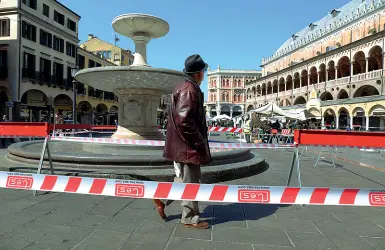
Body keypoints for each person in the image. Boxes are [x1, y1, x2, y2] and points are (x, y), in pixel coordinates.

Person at [161, 54, 211, 229]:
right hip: (188, 147)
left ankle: (161, 199)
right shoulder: (189, 89)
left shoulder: (183, 86)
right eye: (203, 71)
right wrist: (199, 142)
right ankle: (189, 217)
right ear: (199, 73)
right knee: (191, 182)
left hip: (182, 144)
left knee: (183, 179)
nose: (204, 74)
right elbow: (185, 121)